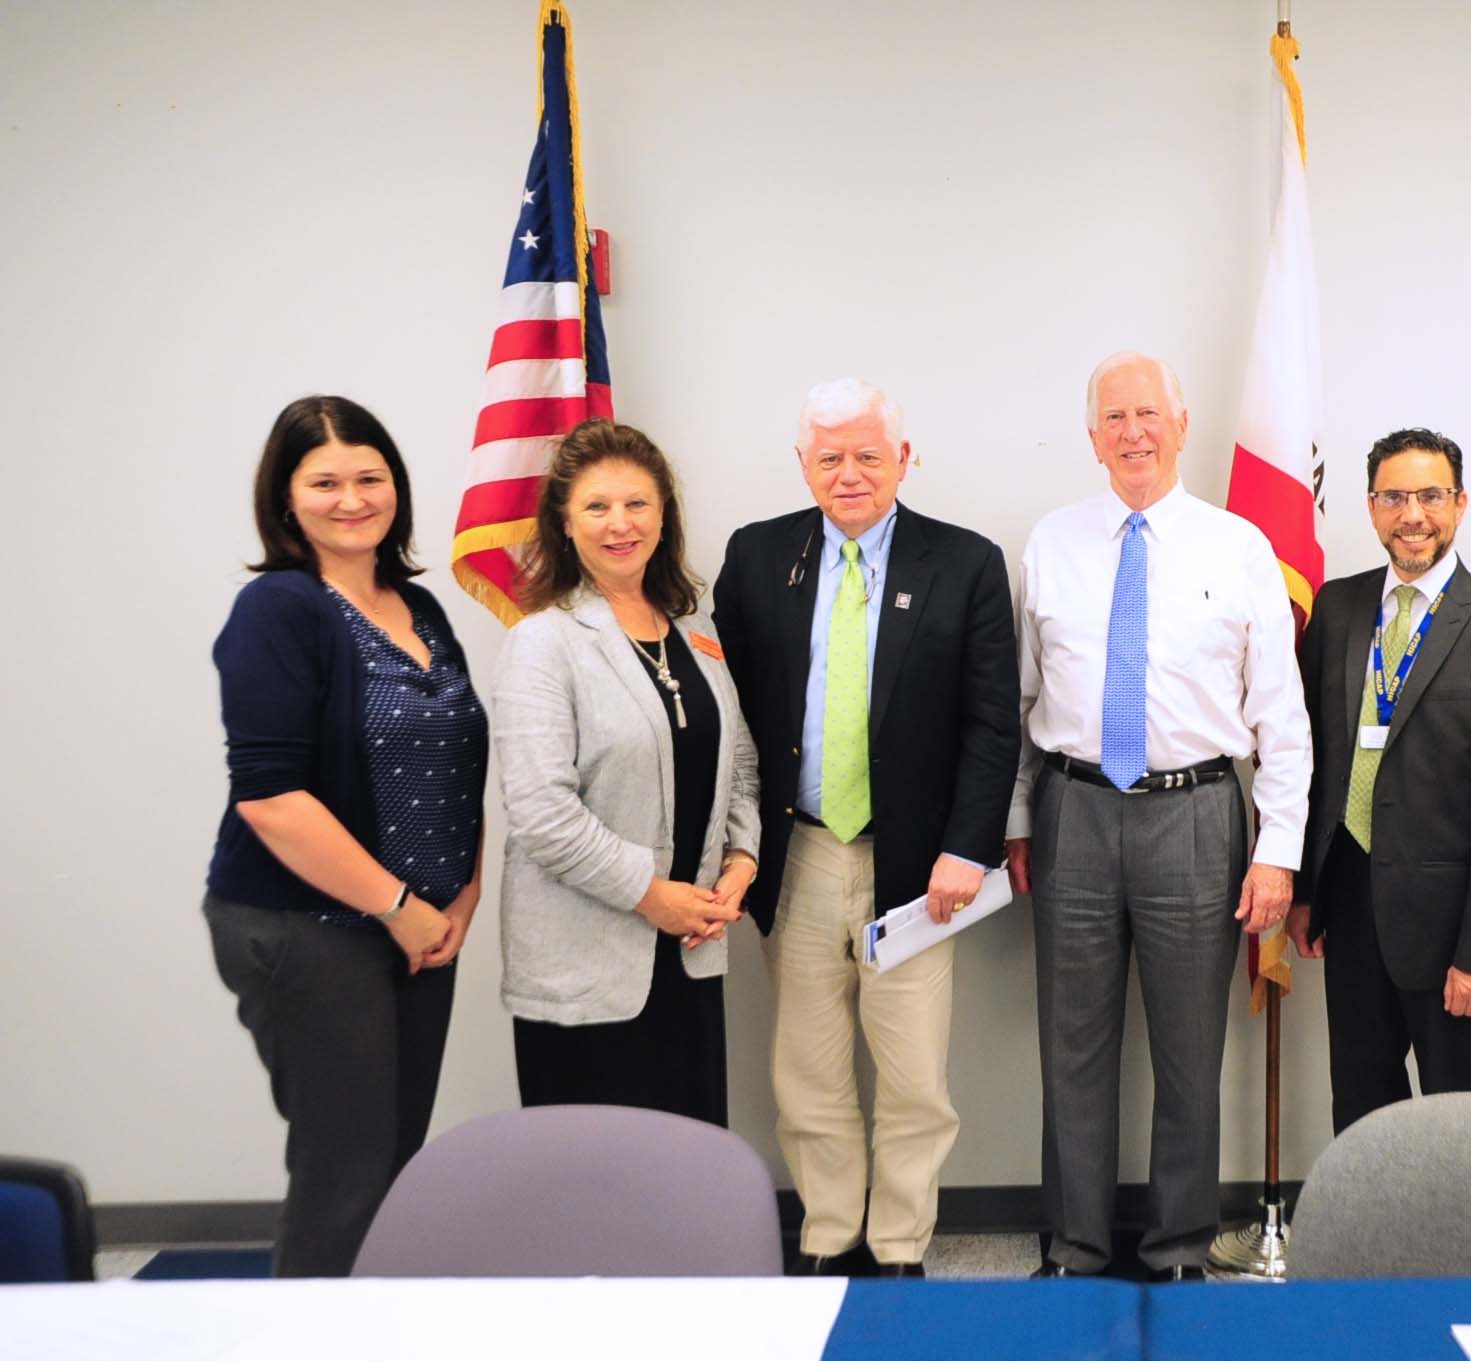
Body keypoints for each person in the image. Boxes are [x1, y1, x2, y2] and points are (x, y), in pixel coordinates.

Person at [1005, 351, 1310, 1281]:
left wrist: (1279, 852)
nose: (1133, 431)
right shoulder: (1050, 542)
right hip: (1074, 813)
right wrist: (1019, 818)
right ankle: (1079, 1244)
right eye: (1114, 418)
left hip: (1197, 816)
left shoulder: (1240, 546)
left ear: (1181, 424)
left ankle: (1178, 1245)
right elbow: (1023, 697)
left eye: (1149, 414)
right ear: (1092, 438)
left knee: (1189, 1050)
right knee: (1074, 1048)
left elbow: (1283, 717)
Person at [712, 379, 1018, 1279]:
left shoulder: (964, 562)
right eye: (830, 457)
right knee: (807, 1072)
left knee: (915, 1078)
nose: (849, 474)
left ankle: (898, 1249)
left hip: (921, 865)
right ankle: (830, 1238)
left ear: (904, 460)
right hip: (799, 850)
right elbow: (731, 708)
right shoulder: (758, 555)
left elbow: (992, 723)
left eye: (868, 455)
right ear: (803, 465)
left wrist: (968, 846)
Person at [205, 395, 486, 1277]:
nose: (351, 498)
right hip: (311, 928)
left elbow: (459, 756)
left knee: (395, 1165)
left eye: (370, 477)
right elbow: (271, 798)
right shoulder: (278, 610)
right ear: (286, 499)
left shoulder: (419, 607)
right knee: (345, 1176)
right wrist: (400, 906)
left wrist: (461, 895)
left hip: (419, 927)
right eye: (324, 481)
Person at [492, 419, 760, 1126]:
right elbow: (543, 813)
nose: (621, 524)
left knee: (684, 1174)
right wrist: (651, 894)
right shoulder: (542, 643)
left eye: (637, 503)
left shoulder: (695, 636)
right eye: (597, 507)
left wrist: (741, 861)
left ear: (664, 513)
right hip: (586, 969)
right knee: (588, 1191)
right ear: (565, 522)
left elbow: (738, 769)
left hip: (690, 957)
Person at [1288, 428, 1471, 1131]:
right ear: (1371, 508)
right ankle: (1373, 1244)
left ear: (1460, 505)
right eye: (1394, 497)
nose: (1413, 515)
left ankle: (1455, 1246)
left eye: (1431, 496)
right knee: (1361, 1105)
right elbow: (1313, 760)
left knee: (1451, 1117)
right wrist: (1307, 889)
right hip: (1350, 904)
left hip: (1448, 926)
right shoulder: (1335, 611)